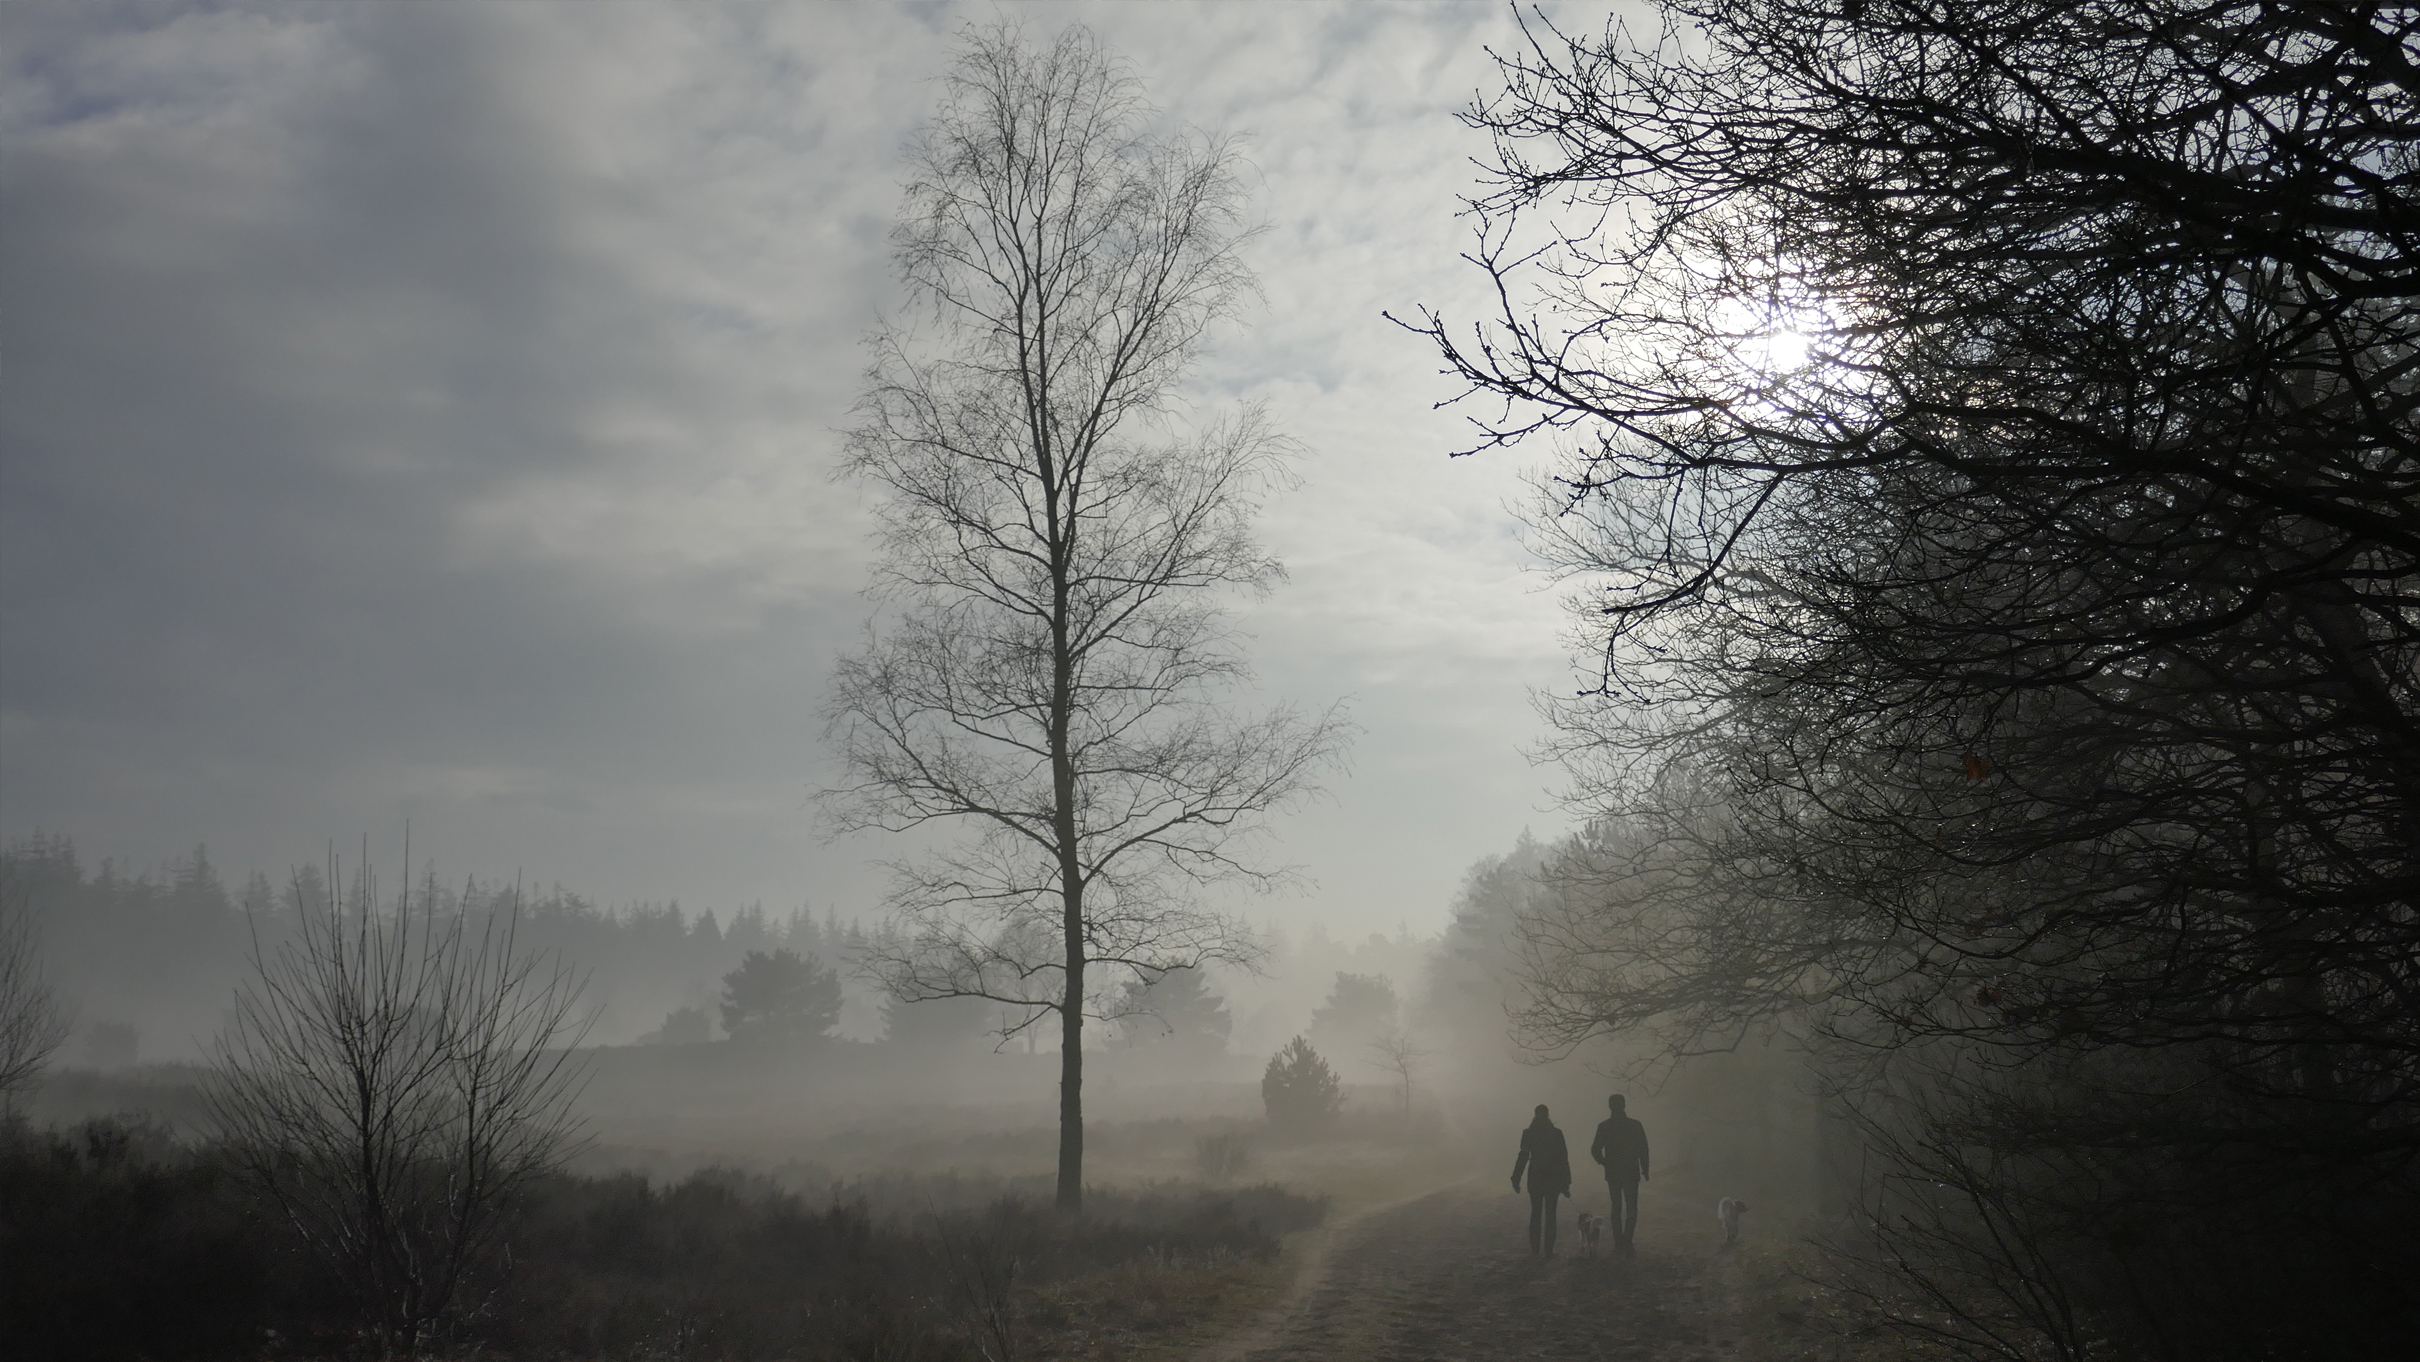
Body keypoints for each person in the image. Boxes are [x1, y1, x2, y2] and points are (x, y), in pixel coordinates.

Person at [1590, 1094, 1650, 1255]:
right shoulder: (1635, 1125)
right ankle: (1627, 1240)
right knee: (1631, 1206)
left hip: (1613, 1172)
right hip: (1631, 1171)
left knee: (1616, 1206)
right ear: (1624, 1105)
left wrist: (1604, 1162)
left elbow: (1595, 1149)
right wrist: (1645, 1168)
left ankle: (1618, 1241)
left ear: (1610, 1106)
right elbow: (1643, 1148)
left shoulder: (1604, 1126)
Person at [1510, 1103, 1572, 1256]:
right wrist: (1566, 1182)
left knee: (1536, 1213)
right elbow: (1563, 1158)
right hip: (1553, 1178)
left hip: (1536, 1177)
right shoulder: (1556, 1133)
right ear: (1548, 1115)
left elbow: (1523, 1156)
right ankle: (1548, 1250)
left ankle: (1535, 1250)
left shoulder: (1528, 1133)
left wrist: (1516, 1177)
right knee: (1551, 1214)